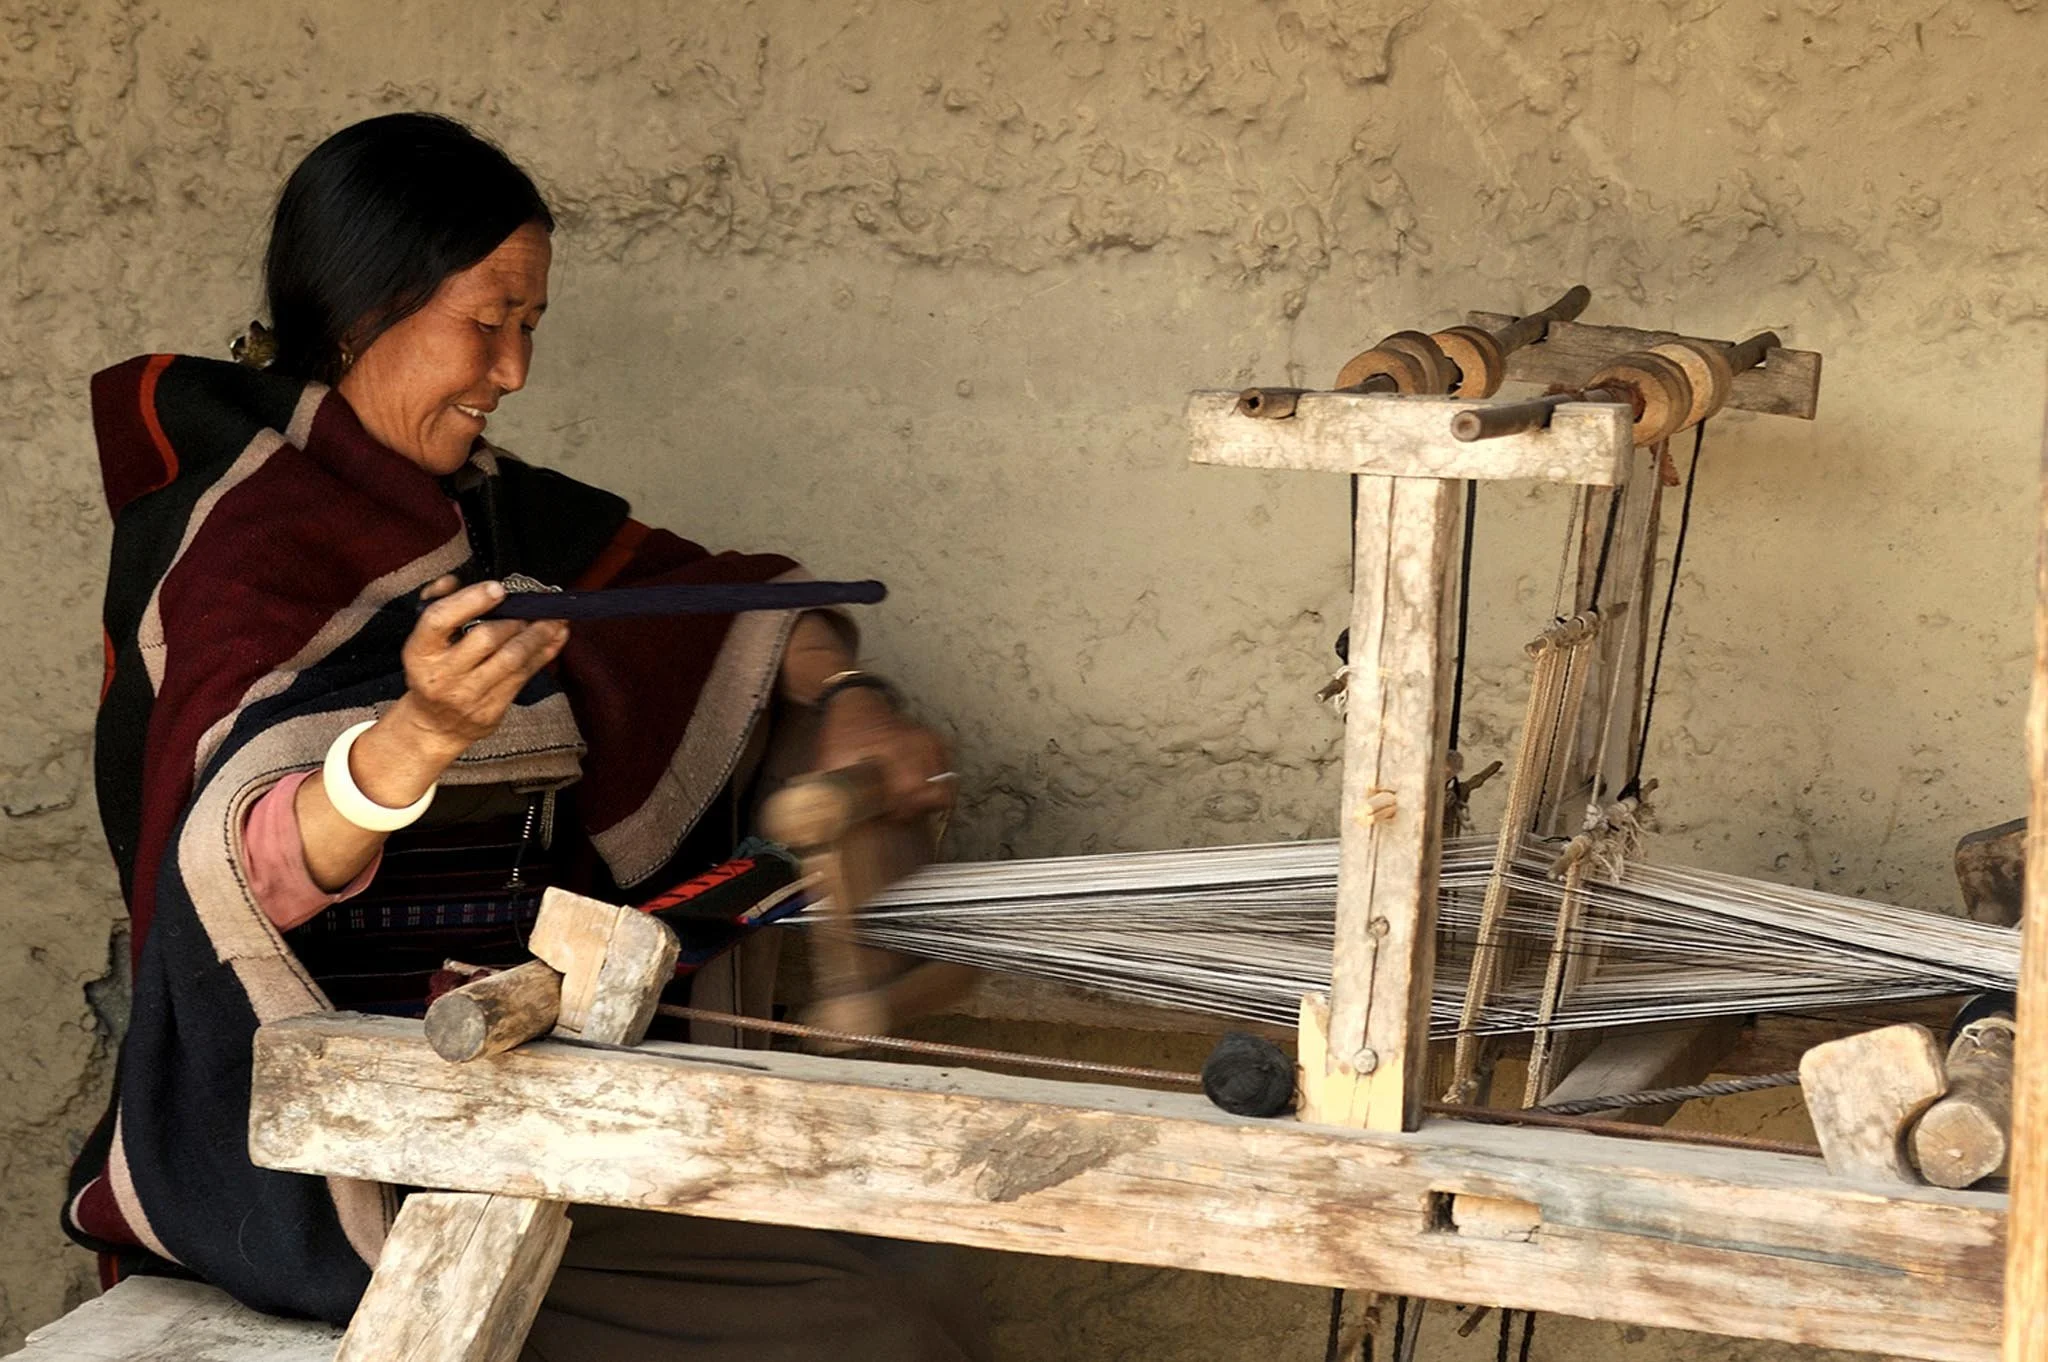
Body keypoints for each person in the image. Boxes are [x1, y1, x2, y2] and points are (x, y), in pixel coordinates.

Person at [63, 111, 987, 1360]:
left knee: (904, 1270)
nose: (513, 369)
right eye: (484, 321)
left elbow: (734, 603)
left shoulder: (490, 519)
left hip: (509, 1103)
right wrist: (417, 739)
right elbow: (240, 862)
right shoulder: (244, 546)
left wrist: (840, 702)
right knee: (865, 1323)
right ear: (361, 312)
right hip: (322, 1156)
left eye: (531, 325)